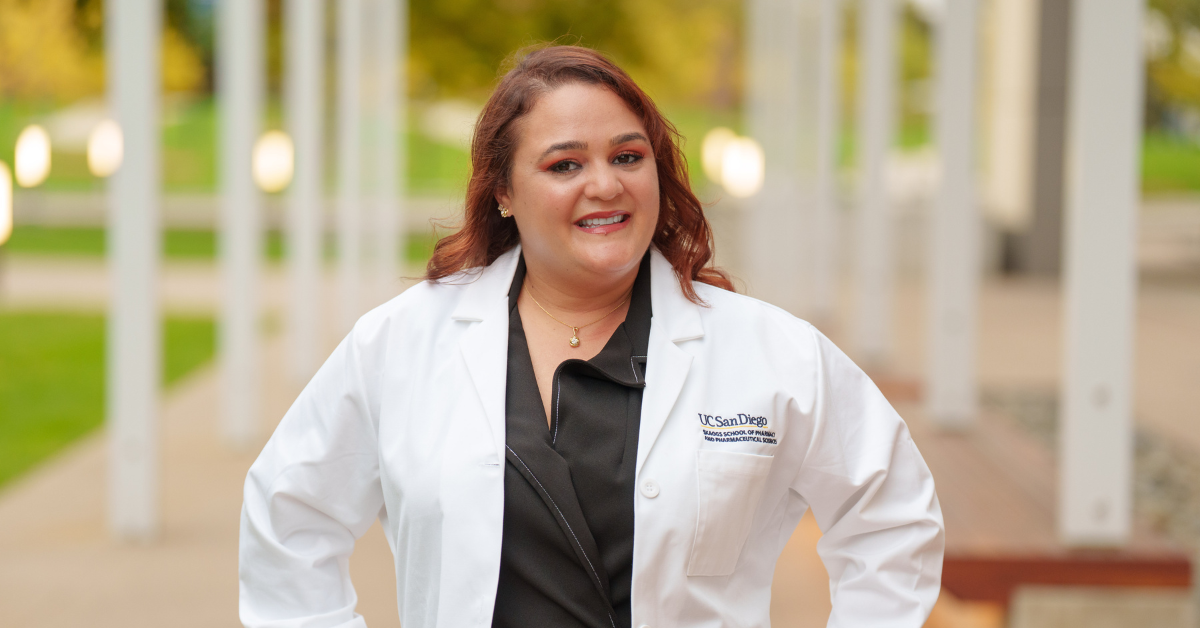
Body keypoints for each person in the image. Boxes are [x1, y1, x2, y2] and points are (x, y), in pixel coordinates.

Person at [239, 45, 943, 628]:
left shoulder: (769, 351)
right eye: (565, 165)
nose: (604, 185)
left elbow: (892, 515)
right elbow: (288, 516)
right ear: (503, 192)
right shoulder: (402, 343)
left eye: (628, 157)